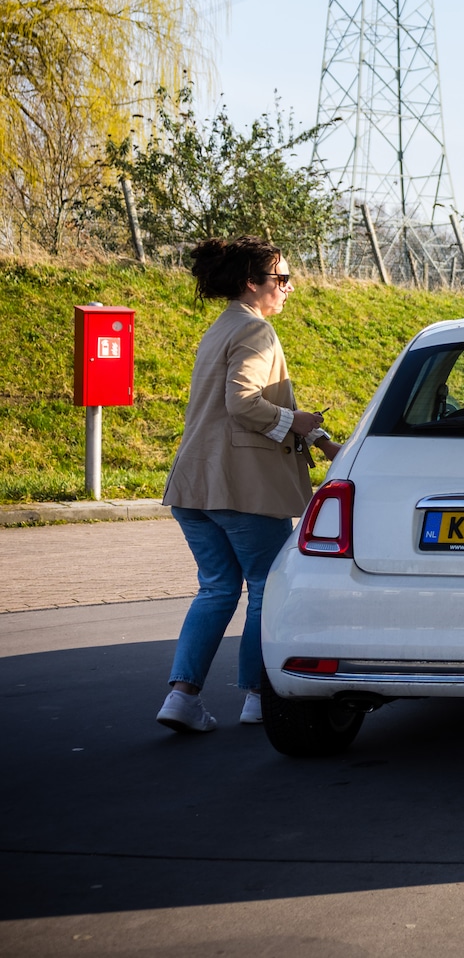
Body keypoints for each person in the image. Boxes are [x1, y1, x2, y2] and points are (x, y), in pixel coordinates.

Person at [155, 237, 340, 733]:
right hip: (243, 489)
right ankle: (259, 696)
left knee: (216, 589)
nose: (289, 288)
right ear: (251, 283)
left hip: (195, 484)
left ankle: (182, 696)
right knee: (266, 587)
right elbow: (243, 403)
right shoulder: (256, 331)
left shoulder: (222, 327)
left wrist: (322, 442)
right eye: (281, 280)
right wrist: (299, 425)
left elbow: (247, 410)